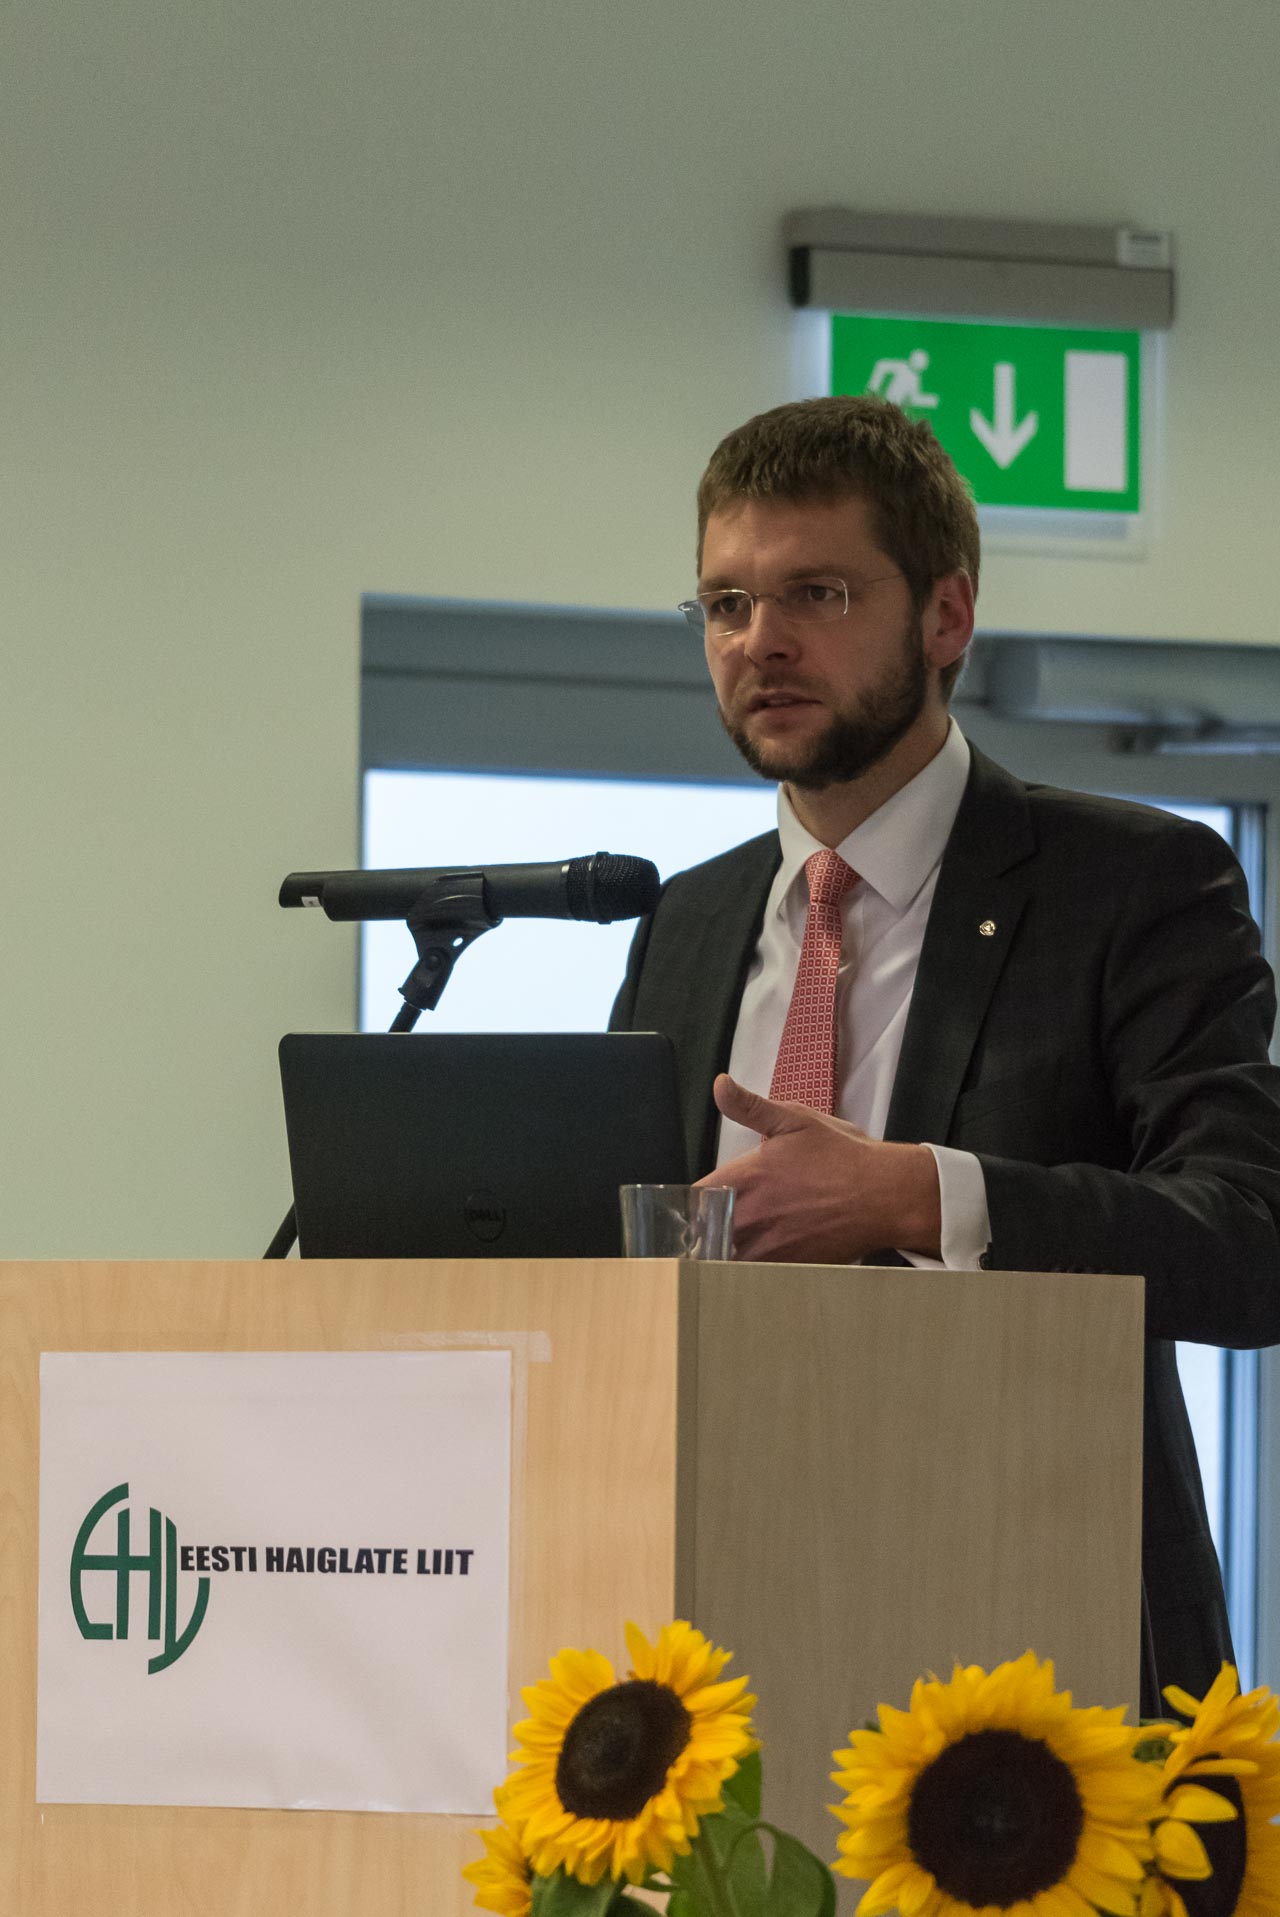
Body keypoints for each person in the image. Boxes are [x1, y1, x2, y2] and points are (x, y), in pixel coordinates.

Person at [610, 394, 1280, 1706]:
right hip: (714, 1612)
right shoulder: (686, 921)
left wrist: (918, 1194)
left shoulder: (1132, 884)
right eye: (725, 603)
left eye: (817, 593)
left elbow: (1250, 1240)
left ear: (947, 615)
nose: (761, 640)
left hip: (1041, 1628)